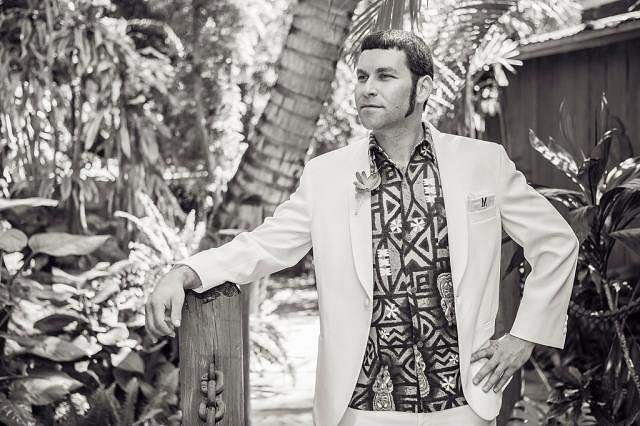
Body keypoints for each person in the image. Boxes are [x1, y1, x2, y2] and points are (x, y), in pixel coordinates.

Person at [145, 30, 579, 426]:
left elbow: (556, 242)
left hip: (462, 401)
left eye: (385, 76)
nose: (367, 88)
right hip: (361, 406)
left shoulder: (482, 162)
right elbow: (265, 245)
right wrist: (186, 271)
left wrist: (524, 337)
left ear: (423, 88)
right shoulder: (326, 175)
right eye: (362, 77)